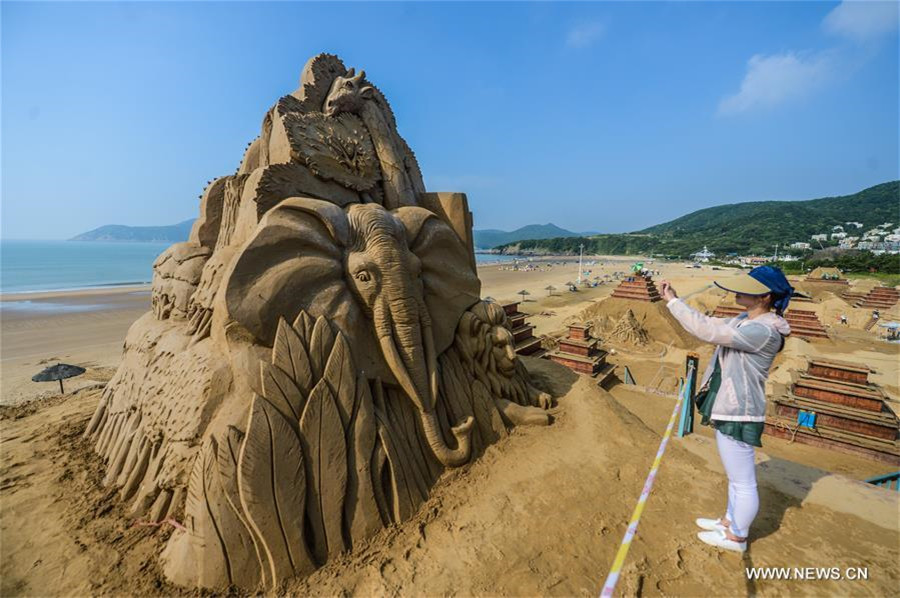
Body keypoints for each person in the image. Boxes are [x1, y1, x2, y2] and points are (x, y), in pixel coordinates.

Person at [660, 266, 793, 553]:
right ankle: (728, 521)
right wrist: (677, 301)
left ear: (765, 296)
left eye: (746, 288)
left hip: (741, 410)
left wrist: (671, 303)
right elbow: (711, 322)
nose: (737, 291)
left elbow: (707, 331)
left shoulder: (762, 331)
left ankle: (737, 538)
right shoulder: (746, 320)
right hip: (731, 405)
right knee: (735, 478)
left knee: (743, 482)